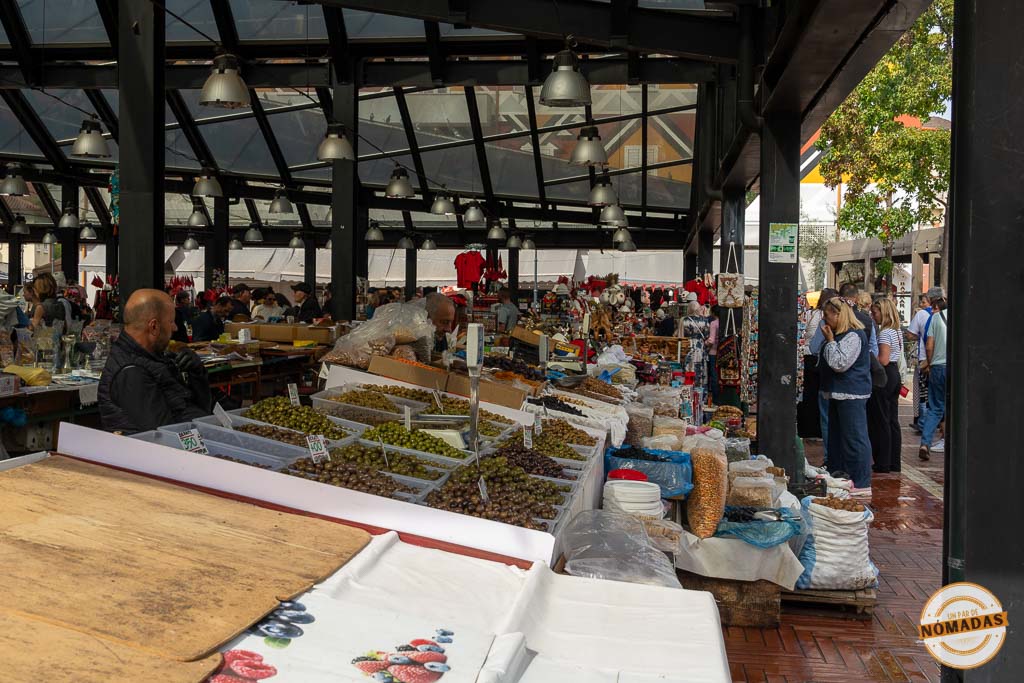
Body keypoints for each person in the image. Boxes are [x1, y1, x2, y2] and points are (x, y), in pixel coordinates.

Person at [97, 289, 212, 434]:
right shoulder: (131, 373)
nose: (175, 328)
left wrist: (197, 373)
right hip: (164, 453)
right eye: (171, 321)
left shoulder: (155, 358)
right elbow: (164, 436)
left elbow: (200, 409)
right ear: (154, 327)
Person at [818, 296, 873, 492]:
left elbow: (839, 363)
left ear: (838, 314)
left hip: (851, 393)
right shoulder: (843, 334)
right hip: (837, 393)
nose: (825, 320)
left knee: (854, 438)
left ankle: (861, 481)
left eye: (827, 315)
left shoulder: (854, 335)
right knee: (838, 439)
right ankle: (840, 476)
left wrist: (830, 341)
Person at [869, 297, 904, 473]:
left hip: (885, 375)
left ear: (883, 312)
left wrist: (869, 358)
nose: (873, 315)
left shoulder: (885, 333)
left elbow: (883, 359)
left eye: (875, 312)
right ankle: (894, 461)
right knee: (892, 420)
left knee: (881, 419)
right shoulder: (896, 331)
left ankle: (882, 462)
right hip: (895, 374)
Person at [809, 288, 840, 462]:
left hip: (829, 379)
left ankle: (831, 458)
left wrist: (828, 341)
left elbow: (814, 348)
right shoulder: (858, 324)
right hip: (850, 384)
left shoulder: (824, 324)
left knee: (827, 420)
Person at [919, 287, 948, 460]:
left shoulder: (935, 318)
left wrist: (929, 363)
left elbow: (929, 345)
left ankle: (925, 443)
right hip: (954, 368)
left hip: (937, 367)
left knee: (935, 408)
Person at [906, 292, 934, 433]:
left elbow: (910, 334)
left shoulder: (921, 315)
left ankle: (922, 423)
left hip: (924, 357)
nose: (921, 305)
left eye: (923, 302)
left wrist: (921, 337)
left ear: (929, 301)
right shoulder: (944, 313)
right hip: (940, 359)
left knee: (923, 393)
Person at [707, 305, 721, 404]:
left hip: (713, 352)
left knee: (714, 376)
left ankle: (716, 400)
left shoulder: (713, 323)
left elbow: (711, 340)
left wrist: (704, 343)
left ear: (713, 313)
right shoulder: (724, 322)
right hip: (724, 353)